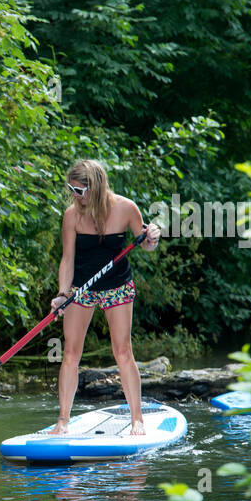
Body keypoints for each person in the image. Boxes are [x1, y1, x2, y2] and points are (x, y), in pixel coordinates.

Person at [49, 159, 161, 435]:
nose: (74, 196)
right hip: (81, 288)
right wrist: (63, 293)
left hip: (117, 286)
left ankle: (137, 419)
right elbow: (67, 259)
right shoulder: (72, 215)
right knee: (71, 353)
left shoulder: (125, 208)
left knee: (122, 351)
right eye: (71, 189)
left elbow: (145, 244)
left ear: (95, 188)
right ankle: (62, 421)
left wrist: (152, 237)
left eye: (79, 190)